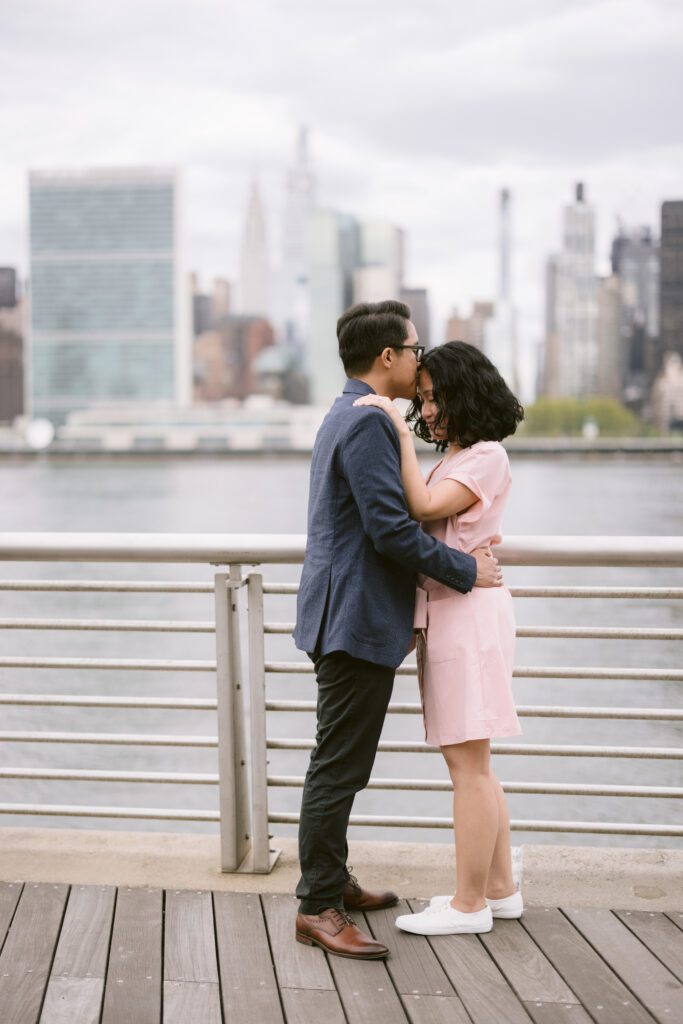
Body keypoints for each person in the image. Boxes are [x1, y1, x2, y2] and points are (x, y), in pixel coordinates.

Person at [293, 302, 503, 960]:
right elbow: (389, 529)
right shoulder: (367, 423)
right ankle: (318, 904)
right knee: (338, 768)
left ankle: (334, 880)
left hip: (347, 611)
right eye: (413, 350)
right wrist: (465, 568)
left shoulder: (348, 413)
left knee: (341, 762)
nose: (420, 359)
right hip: (355, 616)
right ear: (388, 357)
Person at [354, 340, 525, 937]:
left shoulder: (484, 456)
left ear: (467, 392)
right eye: (421, 402)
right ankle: (499, 890)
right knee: (475, 762)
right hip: (455, 611)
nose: (425, 413)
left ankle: (469, 905)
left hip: (468, 615)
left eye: (434, 399)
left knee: (467, 767)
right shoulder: (461, 455)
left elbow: (421, 505)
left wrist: (394, 432)